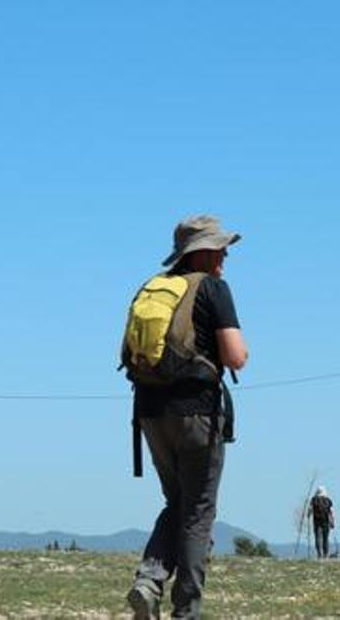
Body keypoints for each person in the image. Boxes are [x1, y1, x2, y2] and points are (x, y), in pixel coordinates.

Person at [124, 216, 248, 620]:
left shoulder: (155, 288)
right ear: (205, 253)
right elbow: (235, 357)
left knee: (177, 502)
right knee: (198, 512)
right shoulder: (212, 288)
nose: (226, 255)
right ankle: (186, 611)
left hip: (149, 412)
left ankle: (148, 580)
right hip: (197, 413)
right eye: (221, 248)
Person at [310, 486, 335, 559]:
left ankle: (319, 553)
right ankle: (326, 554)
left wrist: (308, 515)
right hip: (326, 521)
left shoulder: (314, 499)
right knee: (325, 538)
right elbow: (332, 512)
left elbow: (310, 509)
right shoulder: (328, 500)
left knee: (317, 537)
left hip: (316, 521)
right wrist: (332, 521)